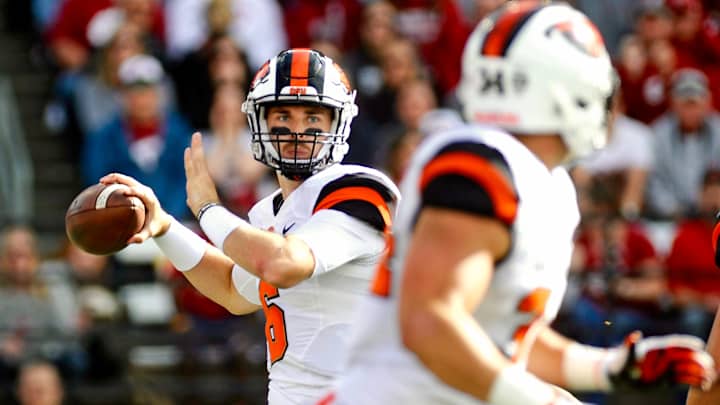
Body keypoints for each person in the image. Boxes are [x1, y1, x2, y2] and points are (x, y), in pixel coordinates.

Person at [325, 2, 716, 404]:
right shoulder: (482, 166)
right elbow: (430, 321)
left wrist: (609, 367)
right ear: (555, 86)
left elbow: (506, 334)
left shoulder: (546, 181)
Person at [101, 48, 400, 404]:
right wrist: (165, 226)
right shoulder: (269, 213)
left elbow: (284, 264)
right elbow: (232, 289)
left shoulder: (359, 191)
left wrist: (208, 210)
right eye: (283, 115)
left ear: (338, 123)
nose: (297, 130)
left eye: (313, 117)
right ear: (260, 122)